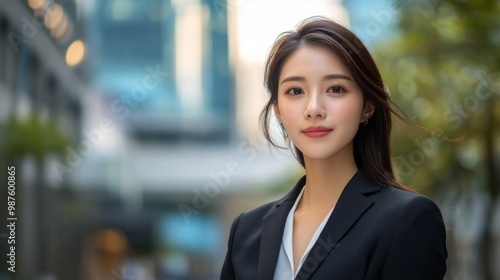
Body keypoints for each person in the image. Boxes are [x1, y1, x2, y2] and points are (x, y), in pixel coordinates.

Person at [220, 17, 447, 280]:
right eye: (295, 91)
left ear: (367, 107)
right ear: (279, 111)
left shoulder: (407, 220)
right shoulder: (247, 231)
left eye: (335, 89)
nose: (314, 108)